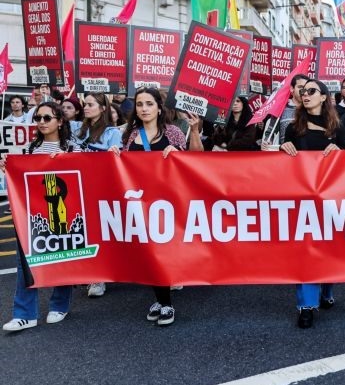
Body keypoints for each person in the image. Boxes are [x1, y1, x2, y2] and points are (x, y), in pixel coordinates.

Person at [109, 88, 202, 326]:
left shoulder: (171, 132)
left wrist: (187, 140)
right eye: (139, 104)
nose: (144, 108)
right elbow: (125, 168)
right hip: (141, 203)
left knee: (160, 252)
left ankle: (165, 303)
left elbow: (196, 157)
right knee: (149, 252)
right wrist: (115, 155)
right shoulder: (130, 135)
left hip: (168, 202)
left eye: (149, 103)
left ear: (159, 108)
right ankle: (162, 300)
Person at [2, 102, 80, 332]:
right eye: (38, 118)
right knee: (25, 262)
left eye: (47, 118)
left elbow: (86, 175)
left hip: (63, 209)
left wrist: (68, 160)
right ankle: (25, 314)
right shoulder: (28, 149)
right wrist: (8, 167)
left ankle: (60, 304)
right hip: (33, 213)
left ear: (60, 120)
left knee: (64, 256)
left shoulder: (73, 148)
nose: (42, 122)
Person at [280, 79, 345, 329]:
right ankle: (306, 305)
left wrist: (340, 153)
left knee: (330, 249)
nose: (305, 94)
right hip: (303, 200)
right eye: (302, 91)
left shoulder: (337, 127)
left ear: (323, 97)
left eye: (311, 91)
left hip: (330, 199)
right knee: (306, 252)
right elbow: (284, 166)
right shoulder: (292, 128)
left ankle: (326, 290)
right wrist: (283, 149)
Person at [70, 93, 123, 297]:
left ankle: (99, 277)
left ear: (103, 108)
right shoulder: (76, 128)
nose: (86, 107)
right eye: (85, 104)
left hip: (101, 187)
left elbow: (116, 160)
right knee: (84, 230)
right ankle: (90, 271)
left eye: (91, 104)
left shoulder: (112, 133)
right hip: (78, 185)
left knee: (99, 231)